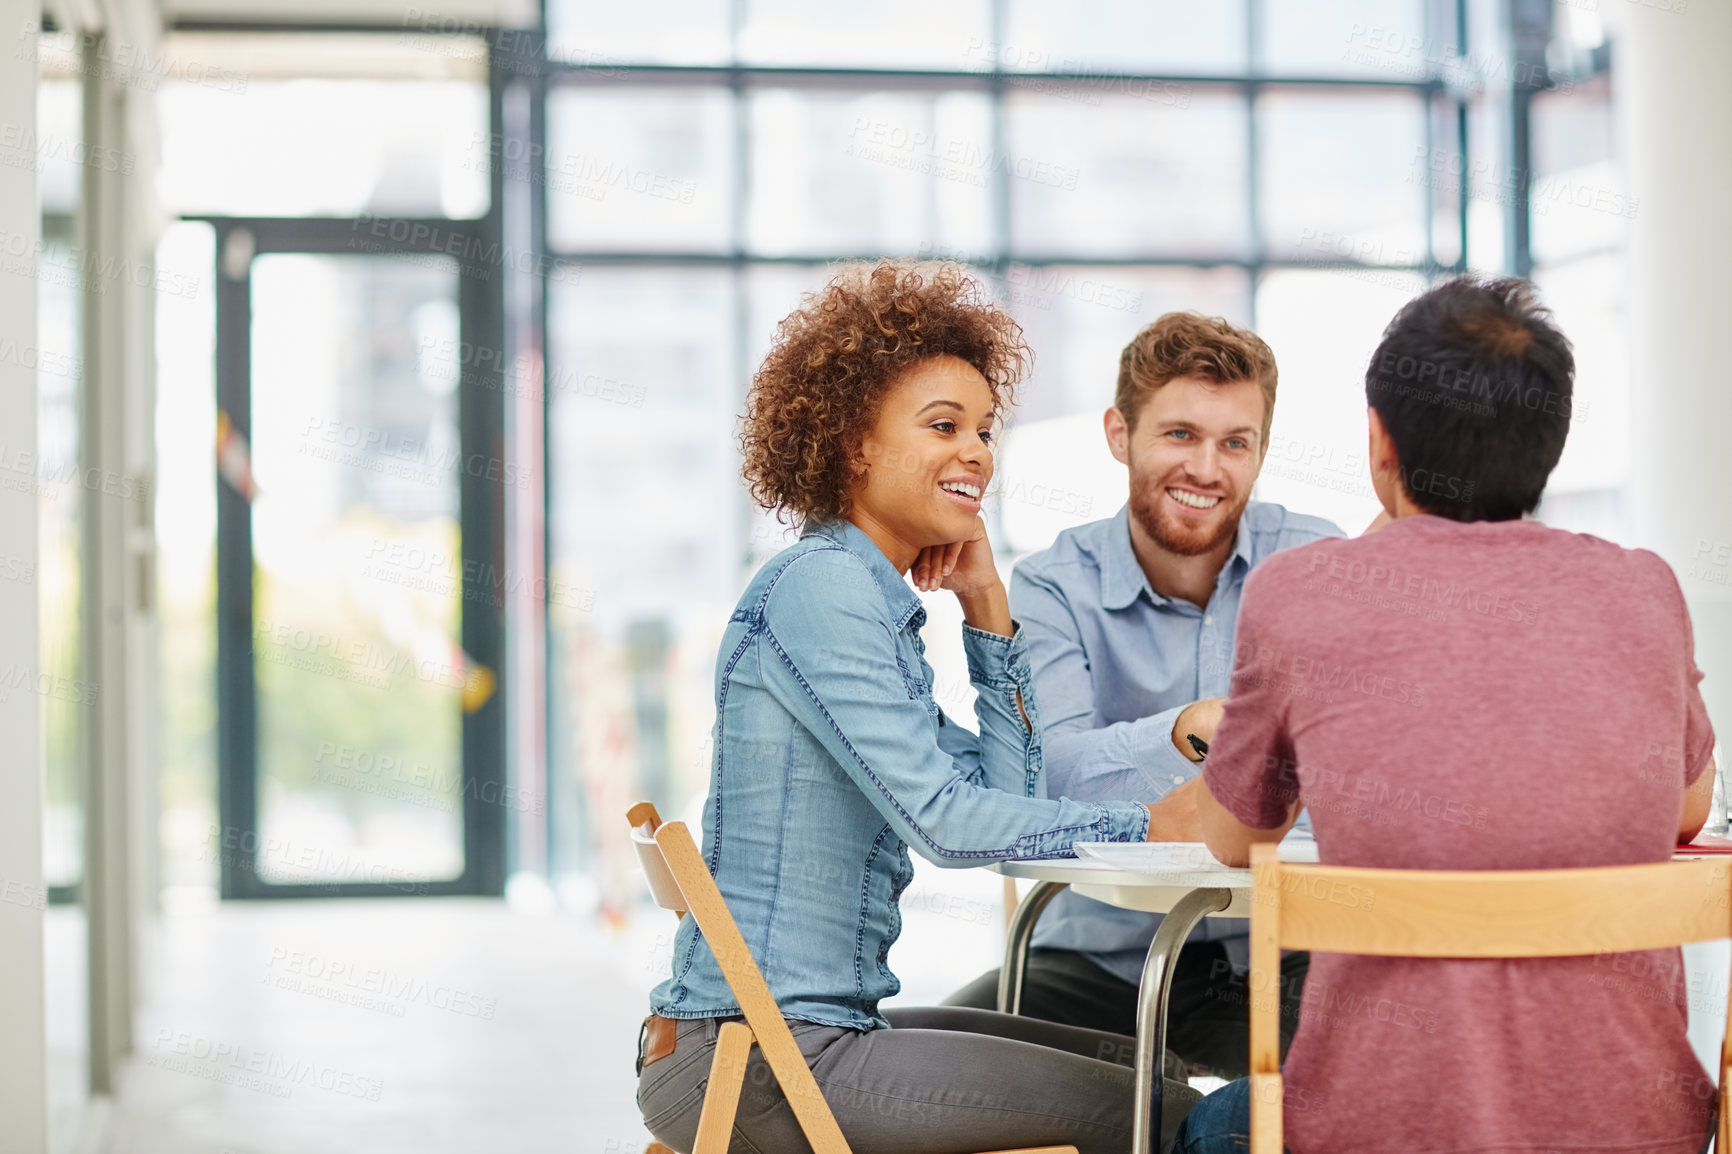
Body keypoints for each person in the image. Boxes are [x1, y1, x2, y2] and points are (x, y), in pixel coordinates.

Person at [636, 261, 1200, 1154]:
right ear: (853, 443)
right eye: (944, 426)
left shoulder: (865, 606)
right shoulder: (822, 593)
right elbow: (945, 824)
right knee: (1164, 1115)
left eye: (984, 429)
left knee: (1152, 1067)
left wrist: (987, 615)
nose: (977, 451)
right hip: (768, 1064)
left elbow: (1009, 790)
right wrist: (1149, 826)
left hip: (803, 1040)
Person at [1175, 276, 1718, 1154]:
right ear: (1552, 441)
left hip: (1373, 1129)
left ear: (1380, 440)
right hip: (1634, 1129)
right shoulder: (1643, 588)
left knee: (1210, 1124)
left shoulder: (1303, 591)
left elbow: (1236, 840)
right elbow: (1688, 809)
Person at [946, 312, 1343, 1077]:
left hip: (1284, 958)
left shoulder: (1318, 564)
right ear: (1118, 434)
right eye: (1179, 435)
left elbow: (1372, 772)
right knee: (928, 1072)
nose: (1206, 468)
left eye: (1236, 443)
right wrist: (1183, 731)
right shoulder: (1053, 586)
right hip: (1101, 962)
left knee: (1395, 1067)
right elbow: (1043, 779)